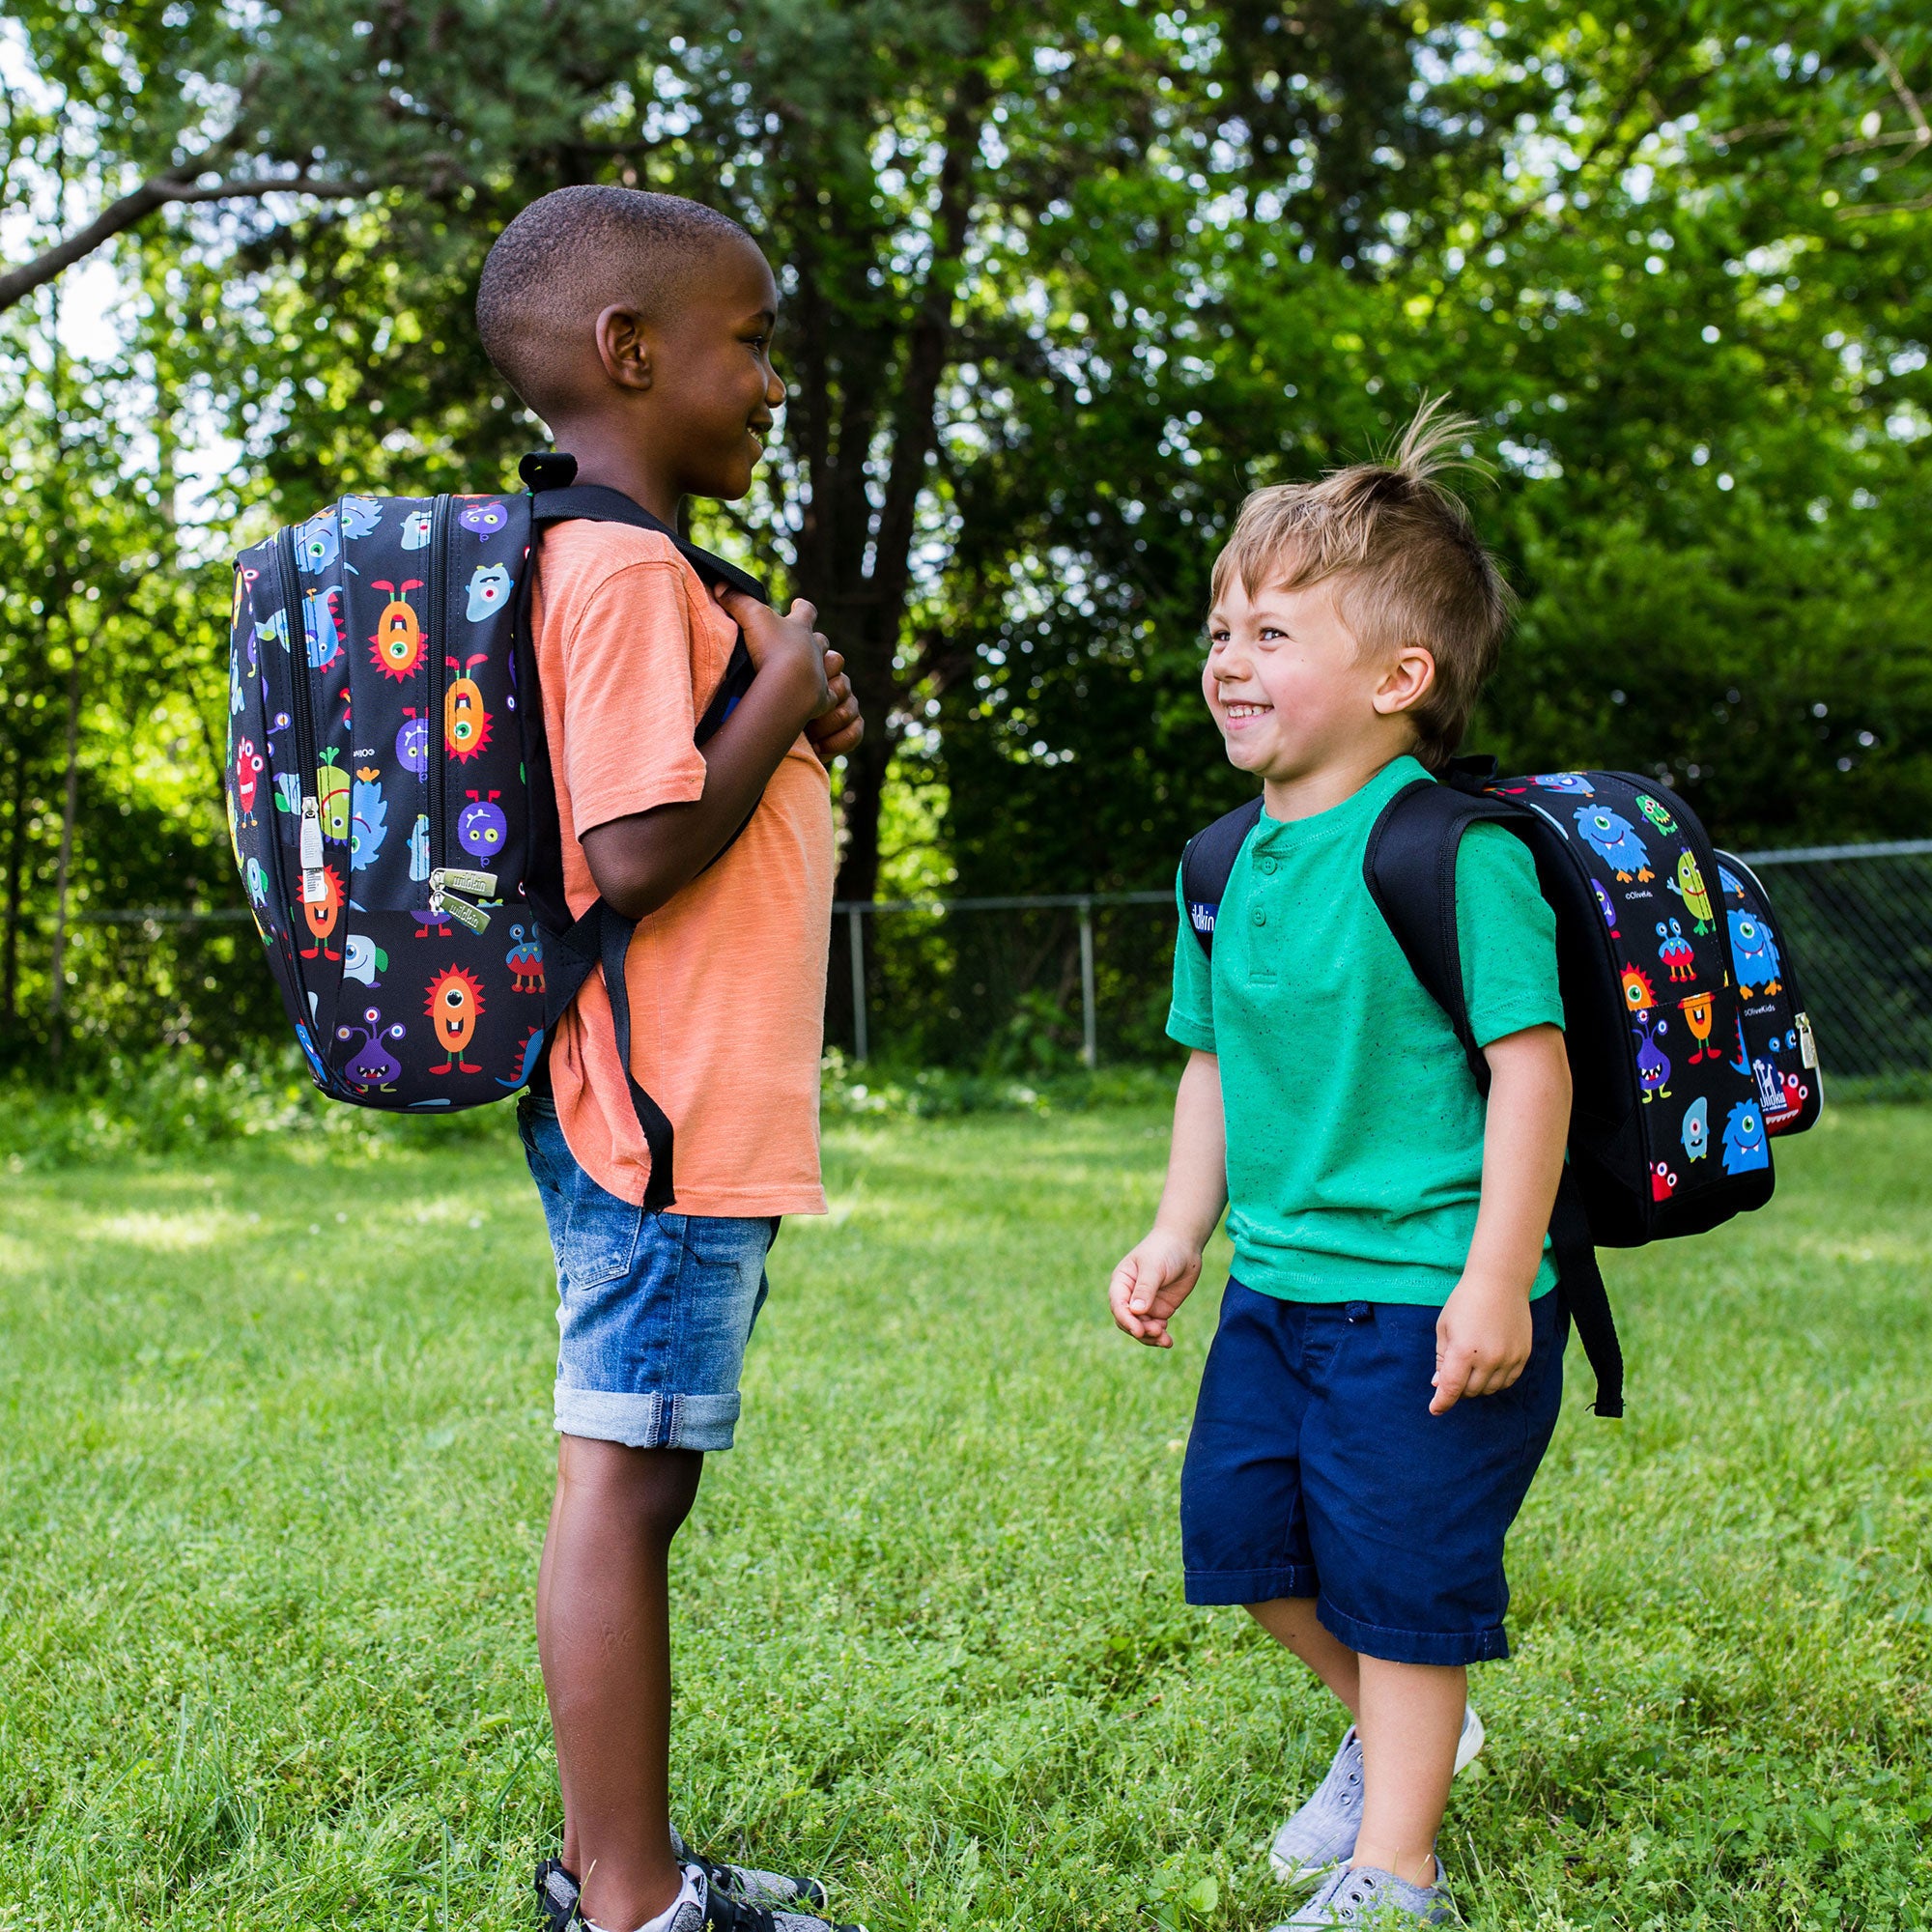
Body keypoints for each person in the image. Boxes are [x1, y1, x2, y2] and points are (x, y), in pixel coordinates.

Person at [1107, 400, 1574, 1928]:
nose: (1227, 657)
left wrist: (1499, 1278)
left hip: (1429, 1296)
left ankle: (1401, 1873)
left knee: (1401, 1587)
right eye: (1221, 626)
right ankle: (1395, 1739)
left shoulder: (1454, 852)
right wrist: (1186, 1227)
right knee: (1247, 1555)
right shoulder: (1220, 863)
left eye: (1271, 630)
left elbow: (1531, 1069)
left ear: (1399, 677)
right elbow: (1215, 1063)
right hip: (1280, 1290)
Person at [474, 186, 866, 1932]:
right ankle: (628, 1900)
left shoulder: (628, 567)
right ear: (631, 354)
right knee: (622, 1492)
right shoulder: (623, 570)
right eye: (753, 341)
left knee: (638, 1481)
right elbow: (632, 850)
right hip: (663, 1117)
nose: (773, 381)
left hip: (678, 1109)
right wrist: (778, 684)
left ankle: (631, 1873)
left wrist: (784, 694)